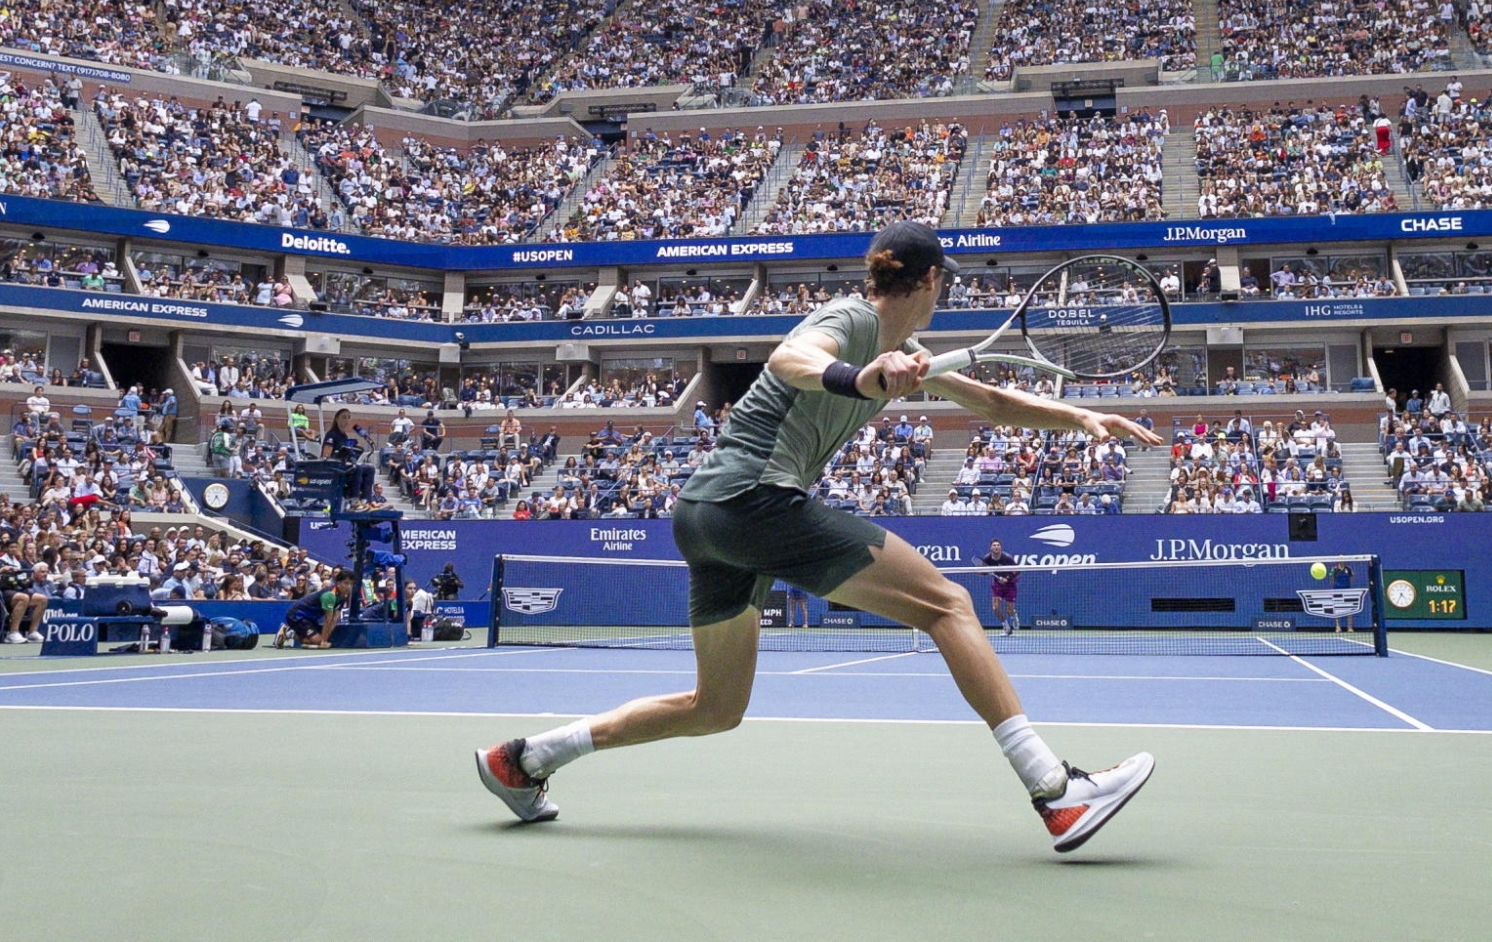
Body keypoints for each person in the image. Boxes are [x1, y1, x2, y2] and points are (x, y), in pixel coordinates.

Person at [473, 225, 1166, 856]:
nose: (943, 291)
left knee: (715, 708)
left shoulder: (906, 348)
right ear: (929, 281)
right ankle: (1055, 790)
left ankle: (525, 758)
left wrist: (1079, 414)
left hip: (705, 515)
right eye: (944, 281)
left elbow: (990, 401)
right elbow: (790, 354)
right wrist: (854, 375)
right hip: (753, 500)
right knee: (948, 603)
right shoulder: (854, 320)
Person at [982, 537, 1020, 637]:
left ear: (1000, 547)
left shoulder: (1007, 558)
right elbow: (980, 571)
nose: (996, 547)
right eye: (994, 545)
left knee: (1009, 610)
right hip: (997, 585)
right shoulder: (987, 559)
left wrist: (1007, 578)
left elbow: (1018, 570)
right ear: (991, 547)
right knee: (995, 607)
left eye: (998, 545)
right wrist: (985, 572)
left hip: (1010, 584)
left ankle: (1014, 615)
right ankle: (1006, 626)